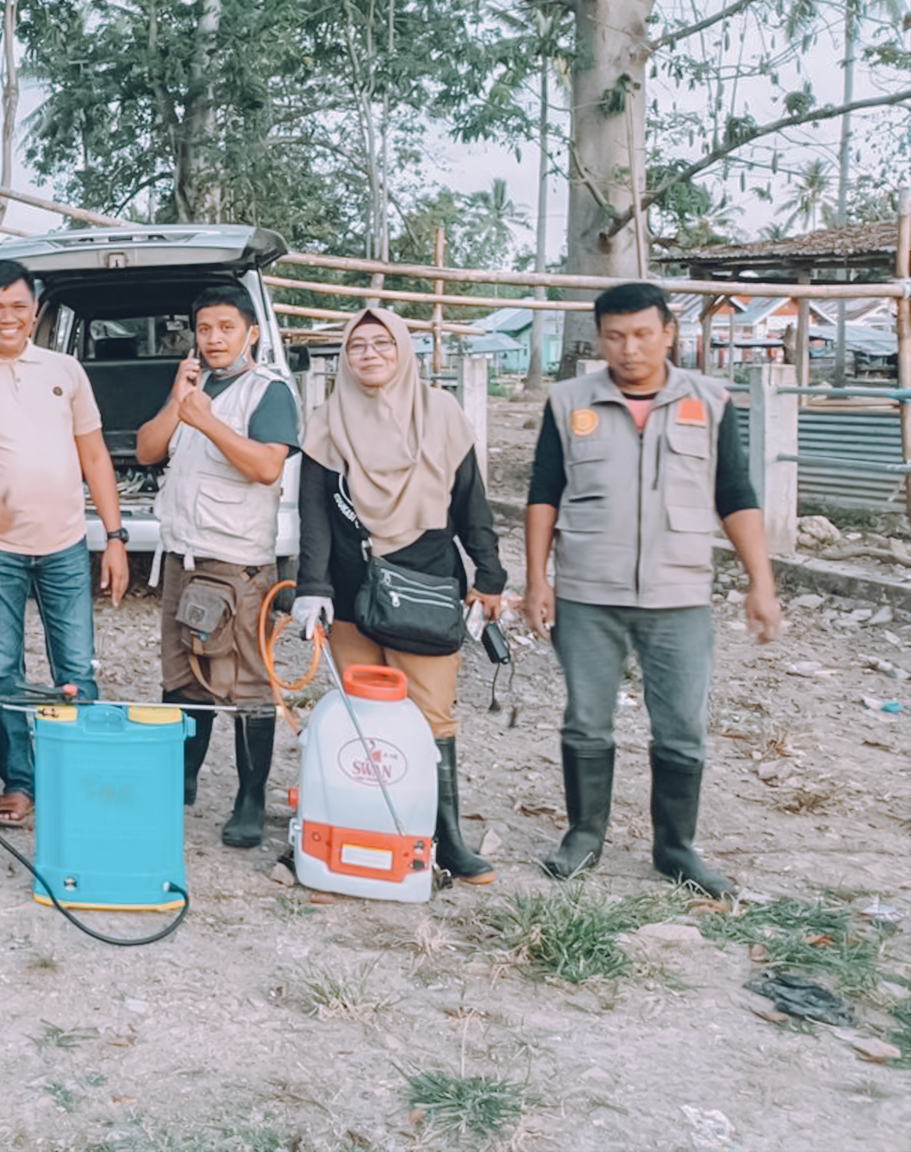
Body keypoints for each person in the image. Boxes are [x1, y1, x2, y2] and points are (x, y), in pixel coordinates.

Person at [525, 281, 783, 898]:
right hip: (589, 591)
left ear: (669, 332)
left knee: (682, 727)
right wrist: (538, 579)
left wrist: (761, 583)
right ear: (600, 338)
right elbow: (544, 493)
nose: (630, 349)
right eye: (615, 337)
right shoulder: (568, 402)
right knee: (587, 721)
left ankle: (675, 848)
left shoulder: (711, 401)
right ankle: (584, 836)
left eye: (643, 334)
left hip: (680, 596)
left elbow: (736, 496)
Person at [292, 308, 506, 884]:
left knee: (431, 716)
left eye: (382, 343)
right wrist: (312, 588)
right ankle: (368, 830)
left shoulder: (441, 415)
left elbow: (471, 504)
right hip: (349, 581)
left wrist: (489, 577)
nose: (369, 354)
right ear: (344, 356)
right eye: (357, 346)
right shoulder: (326, 421)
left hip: (428, 581)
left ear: (404, 350)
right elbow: (312, 511)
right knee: (362, 715)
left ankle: (447, 841)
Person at [0, 258, 130, 829]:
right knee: (2, 668)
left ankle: (78, 773)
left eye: (19, 307)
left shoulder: (65, 371)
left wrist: (114, 538)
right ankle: (19, 781)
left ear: (34, 311)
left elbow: (94, 456)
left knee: (76, 665)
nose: (8, 318)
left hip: (67, 542)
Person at [135, 285, 301, 848]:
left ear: (251, 333)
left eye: (226, 328)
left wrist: (205, 421)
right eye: (204, 329)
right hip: (183, 555)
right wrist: (178, 401)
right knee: (182, 675)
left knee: (248, 683)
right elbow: (146, 451)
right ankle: (179, 780)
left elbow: (265, 467)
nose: (214, 340)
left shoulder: (268, 391)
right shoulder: (193, 388)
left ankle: (250, 799)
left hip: (236, 565)